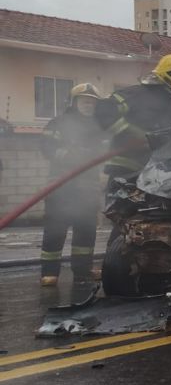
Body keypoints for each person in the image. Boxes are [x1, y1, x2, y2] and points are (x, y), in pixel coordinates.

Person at [95, 53, 171, 183]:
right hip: (125, 171)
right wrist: (132, 134)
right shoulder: (136, 95)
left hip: (157, 175)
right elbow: (104, 110)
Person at [39, 83, 105, 286]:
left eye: (92, 102)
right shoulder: (59, 123)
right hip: (62, 188)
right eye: (84, 100)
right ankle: (49, 273)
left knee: (86, 231)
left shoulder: (99, 126)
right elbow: (47, 148)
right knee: (55, 229)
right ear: (73, 102)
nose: (88, 104)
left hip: (88, 190)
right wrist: (70, 155)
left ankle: (82, 271)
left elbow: (106, 152)